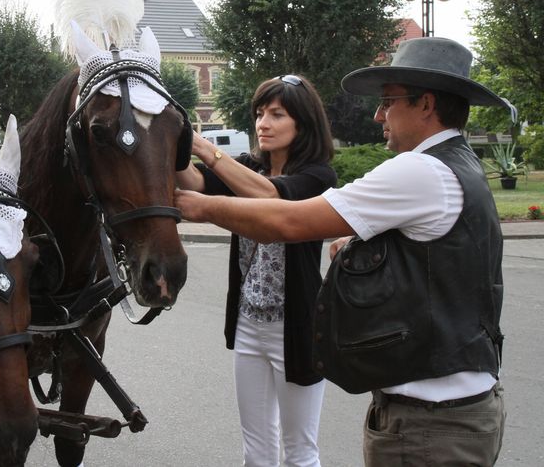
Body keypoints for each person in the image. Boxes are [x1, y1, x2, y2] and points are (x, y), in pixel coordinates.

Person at [175, 37, 507, 466]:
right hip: (455, 406)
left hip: (429, 422)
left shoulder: (421, 170)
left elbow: (287, 221)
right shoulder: (457, 165)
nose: (377, 115)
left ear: (426, 104)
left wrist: (198, 207)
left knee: (299, 450)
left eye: (388, 101)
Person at [177, 75, 337, 467]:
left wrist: (201, 144)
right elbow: (196, 181)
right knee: (256, 449)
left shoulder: (318, 176)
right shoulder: (248, 166)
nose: (263, 123)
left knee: (300, 451)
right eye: (260, 113)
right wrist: (174, 140)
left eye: (277, 114)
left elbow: (271, 196)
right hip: (250, 324)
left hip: (296, 328)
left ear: (303, 123)